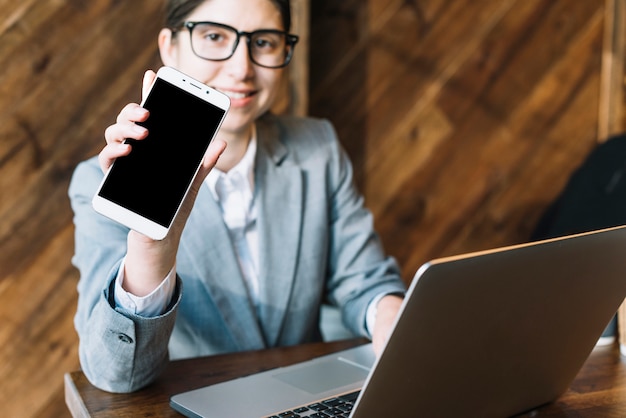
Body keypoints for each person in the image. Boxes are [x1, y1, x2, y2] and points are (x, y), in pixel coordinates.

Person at [69, 0, 406, 393]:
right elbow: (113, 373)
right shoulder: (103, 181)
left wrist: (392, 316)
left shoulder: (318, 148)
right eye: (214, 36)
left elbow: (363, 281)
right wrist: (150, 246)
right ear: (169, 46)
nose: (242, 68)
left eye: (263, 41)